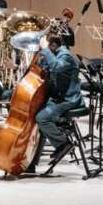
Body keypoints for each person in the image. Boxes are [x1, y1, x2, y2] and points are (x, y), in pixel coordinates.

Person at [25, 34, 84, 173]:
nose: (43, 51)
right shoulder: (55, 53)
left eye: (45, 48)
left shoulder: (66, 55)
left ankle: (63, 143)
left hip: (69, 99)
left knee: (42, 118)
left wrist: (45, 51)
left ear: (53, 46)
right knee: (37, 118)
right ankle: (32, 163)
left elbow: (56, 66)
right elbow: (43, 71)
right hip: (57, 97)